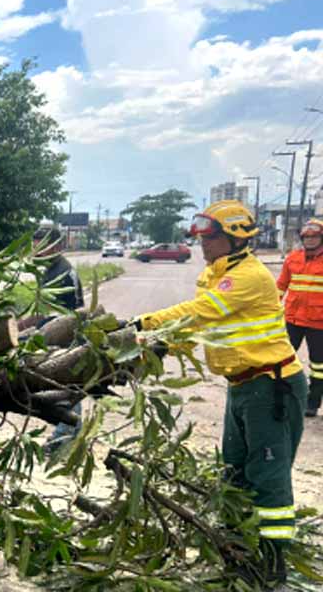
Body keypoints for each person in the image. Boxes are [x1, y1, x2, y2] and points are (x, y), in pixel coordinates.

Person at [134, 200, 306, 587]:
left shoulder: (248, 276)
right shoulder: (213, 274)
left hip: (271, 385)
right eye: (200, 236)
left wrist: (144, 323)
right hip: (241, 386)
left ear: (234, 237)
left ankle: (271, 566)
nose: (202, 243)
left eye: (209, 237)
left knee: (268, 476)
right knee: (233, 473)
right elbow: (200, 329)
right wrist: (156, 348)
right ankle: (235, 553)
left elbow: (200, 312)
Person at [30, 227, 86, 452]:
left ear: (54, 246)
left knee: (67, 386)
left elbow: (71, 311)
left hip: (66, 337)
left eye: (40, 247)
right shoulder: (49, 269)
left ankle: (66, 436)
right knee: (61, 385)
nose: (36, 252)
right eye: (34, 247)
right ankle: (69, 432)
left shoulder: (64, 272)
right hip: (52, 336)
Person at [277, 218, 323, 417]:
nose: (311, 240)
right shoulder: (292, 258)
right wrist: (270, 308)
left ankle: (312, 403)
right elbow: (280, 286)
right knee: (284, 359)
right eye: (307, 237)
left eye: (315, 237)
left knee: (319, 366)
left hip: (319, 322)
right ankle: (283, 398)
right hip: (293, 319)